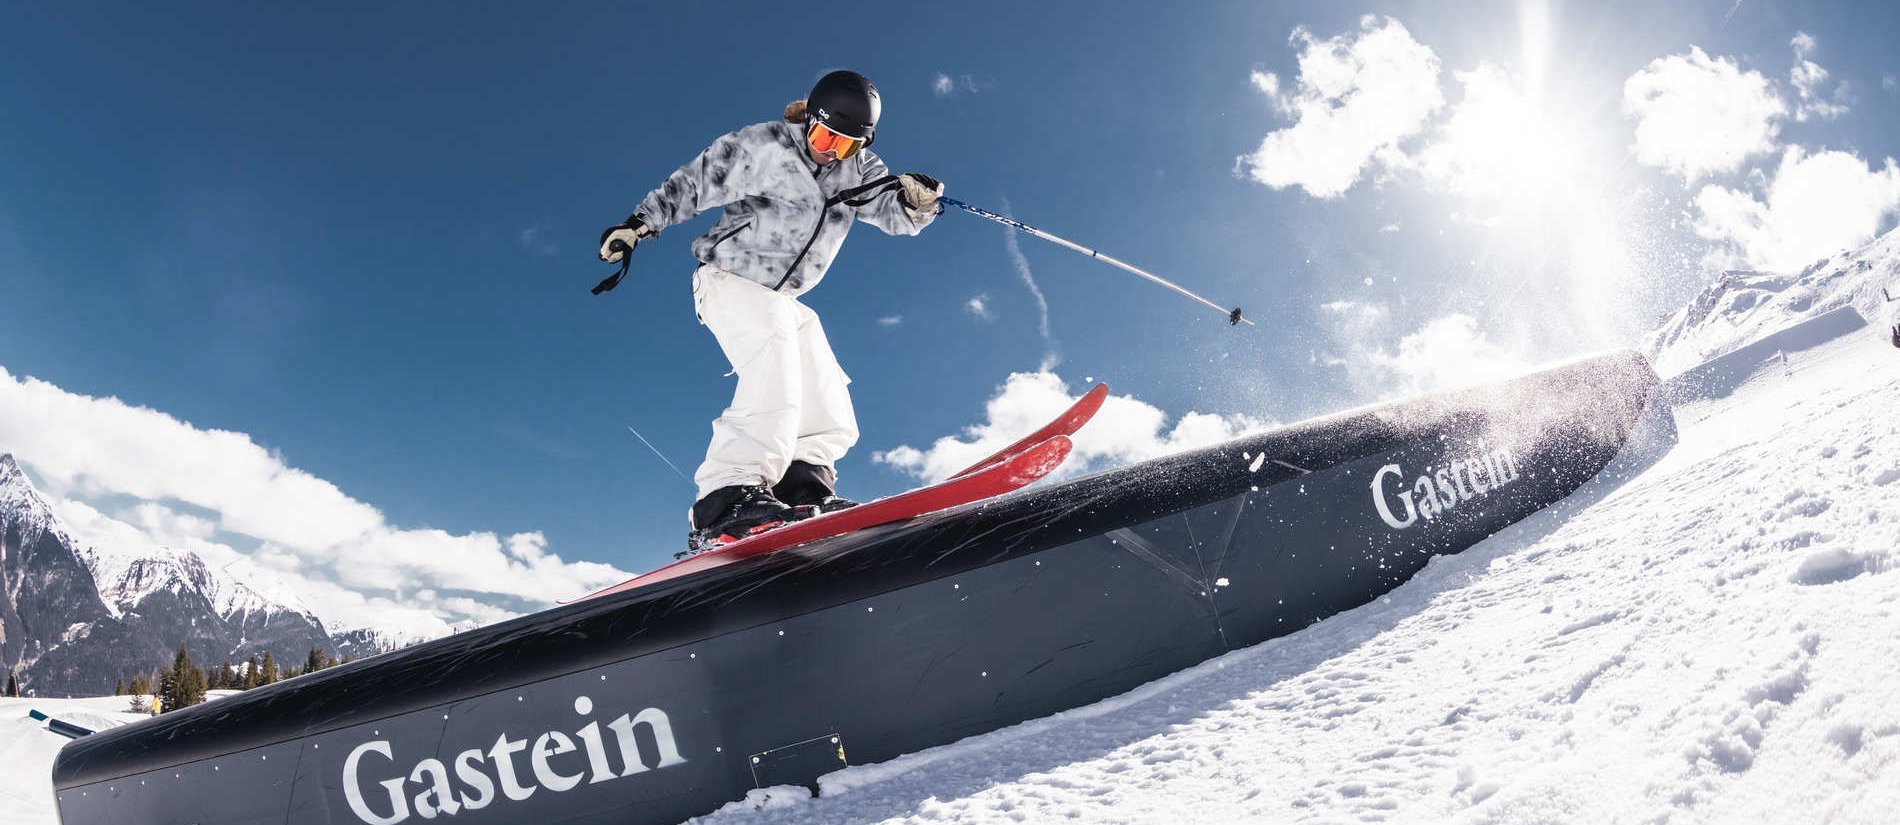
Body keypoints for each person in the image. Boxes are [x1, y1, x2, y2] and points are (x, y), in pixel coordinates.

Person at [598, 69, 945, 553]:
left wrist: (916, 204)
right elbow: (696, 183)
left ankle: (801, 485)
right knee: (775, 361)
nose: (830, 151)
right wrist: (638, 224)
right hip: (728, 279)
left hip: (782, 299)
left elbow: (893, 213)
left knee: (822, 385)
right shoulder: (764, 146)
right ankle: (726, 497)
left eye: (845, 145)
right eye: (824, 136)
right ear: (810, 121)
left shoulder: (860, 169)